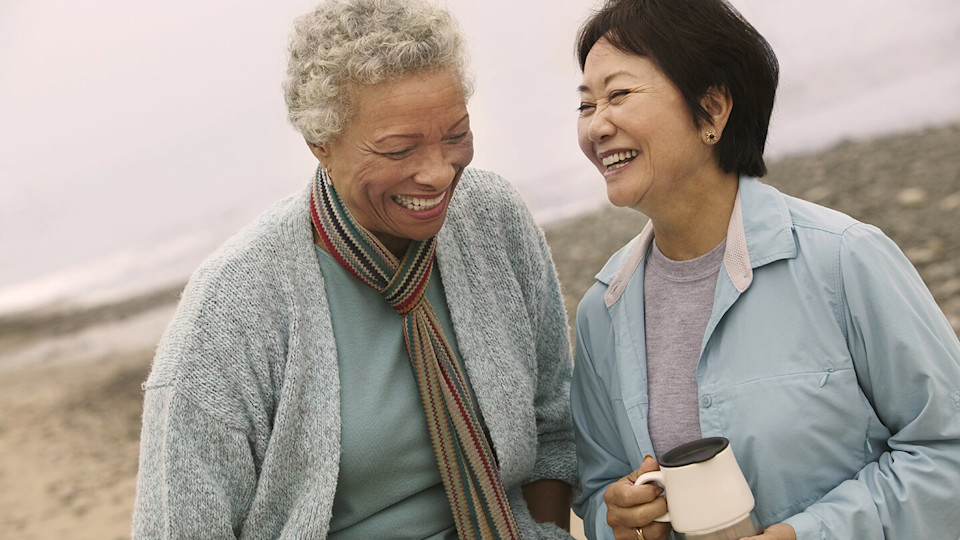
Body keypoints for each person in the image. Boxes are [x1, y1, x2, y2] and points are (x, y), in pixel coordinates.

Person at [131, 0, 578, 537]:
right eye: (398, 150)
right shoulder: (231, 311)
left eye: (455, 135)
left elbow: (552, 422)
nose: (438, 174)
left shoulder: (491, 218)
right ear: (320, 143)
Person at [568, 0, 960, 539]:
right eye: (586, 105)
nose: (597, 126)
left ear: (712, 109)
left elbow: (947, 450)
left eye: (618, 95)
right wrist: (619, 519)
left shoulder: (844, 259)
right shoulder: (602, 312)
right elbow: (598, 490)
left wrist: (810, 533)